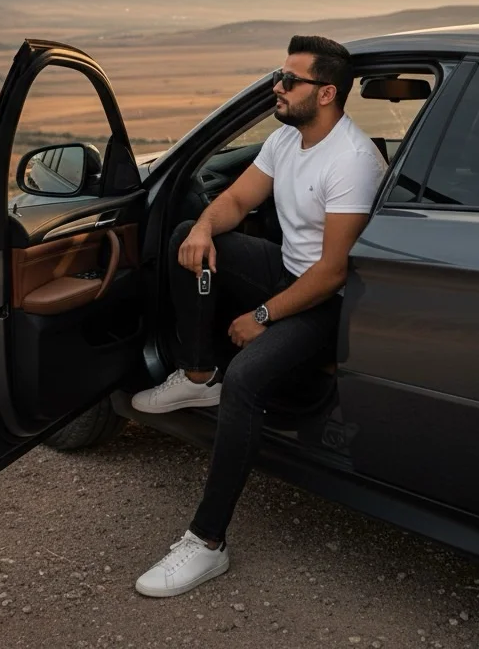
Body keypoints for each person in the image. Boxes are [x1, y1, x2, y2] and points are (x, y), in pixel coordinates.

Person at [131, 35, 388, 597]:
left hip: (326, 303)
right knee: (184, 237)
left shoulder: (352, 161)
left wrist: (263, 316)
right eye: (279, 74)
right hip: (286, 270)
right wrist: (202, 227)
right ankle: (199, 377)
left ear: (325, 94)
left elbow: (335, 272)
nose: (277, 85)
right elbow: (237, 203)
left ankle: (206, 544)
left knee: (246, 379)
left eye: (288, 80)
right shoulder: (284, 140)